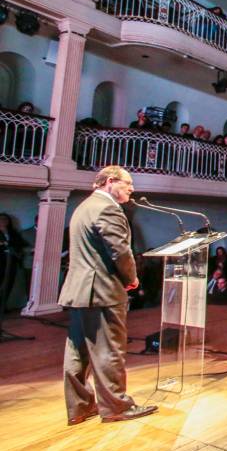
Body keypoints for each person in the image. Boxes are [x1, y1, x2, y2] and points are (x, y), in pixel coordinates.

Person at [57, 166, 158, 425]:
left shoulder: (83, 207)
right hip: (101, 290)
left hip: (80, 290)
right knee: (109, 350)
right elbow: (120, 251)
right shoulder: (109, 208)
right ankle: (116, 407)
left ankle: (79, 407)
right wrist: (132, 278)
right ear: (110, 181)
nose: (132, 189)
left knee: (77, 351)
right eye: (128, 183)